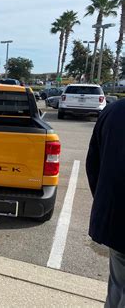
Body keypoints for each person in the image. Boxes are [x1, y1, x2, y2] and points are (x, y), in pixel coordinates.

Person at [86, 99, 125, 307]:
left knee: (117, 287)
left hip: (115, 221)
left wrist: (107, 204)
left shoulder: (113, 111)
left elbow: (93, 165)